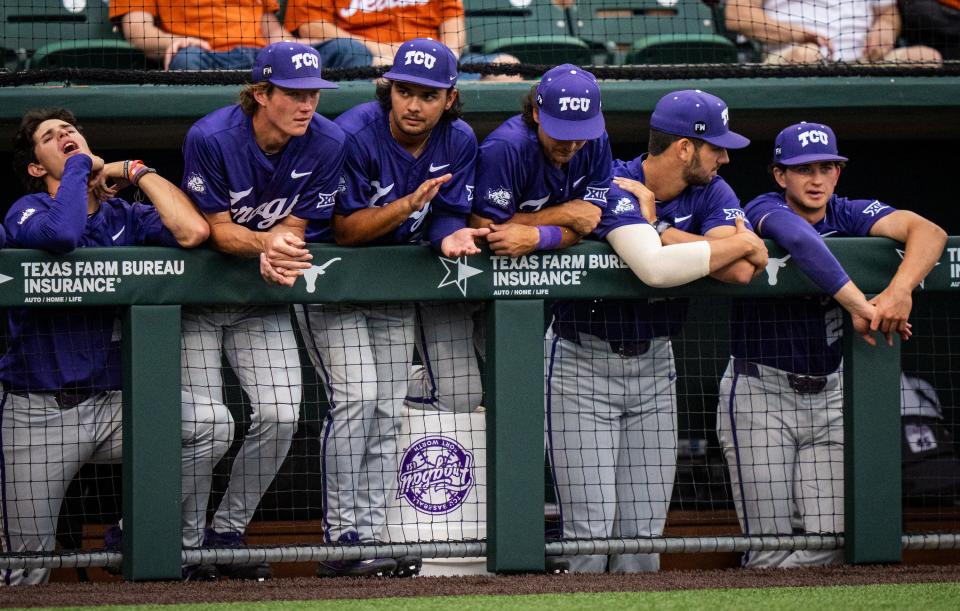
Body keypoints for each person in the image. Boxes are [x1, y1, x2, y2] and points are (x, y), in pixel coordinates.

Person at [0, 108, 232, 585]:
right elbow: (61, 235)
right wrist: (83, 168)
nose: (65, 134)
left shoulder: (122, 214)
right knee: (27, 571)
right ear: (35, 167)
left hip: (112, 408)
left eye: (70, 130)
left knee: (214, 425)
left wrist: (136, 172)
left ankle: (131, 533)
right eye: (50, 137)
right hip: (39, 413)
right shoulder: (25, 211)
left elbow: (193, 232)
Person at [545, 89, 767, 573]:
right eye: (716, 147)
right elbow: (666, 268)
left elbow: (741, 271)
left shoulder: (713, 190)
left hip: (655, 365)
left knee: (644, 535)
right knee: (590, 533)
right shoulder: (612, 180)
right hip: (583, 363)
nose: (725, 157)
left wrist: (662, 230)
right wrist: (719, 244)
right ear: (685, 147)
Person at [296, 38, 487, 578]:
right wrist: (409, 205)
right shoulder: (352, 133)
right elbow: (345, 230)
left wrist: (447, 237)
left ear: (450, 98)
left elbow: (450, 211)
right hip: (335, 286)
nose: (414, 105)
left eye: (428, 95)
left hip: (393, 290)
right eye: (404, 91)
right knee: (356, 398)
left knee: (386, 408)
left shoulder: (460, 138)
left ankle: (374, 534)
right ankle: (341, 540)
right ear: (389, 89)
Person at [717, 121, 946, 567]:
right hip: (761, 393)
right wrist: (862, 305)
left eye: (826, 167)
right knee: (767, 550)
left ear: (838, 173)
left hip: (830, 395)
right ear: (781, 175)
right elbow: (801, 241)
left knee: (834, 540)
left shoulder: (849, 213)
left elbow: (930, 232)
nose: (816, 179)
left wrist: (901, 291)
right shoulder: (762, 207)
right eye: (803, 169)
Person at [179, 41, 347, 580]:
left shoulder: (328, 141)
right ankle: (181, 543)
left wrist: (283, 248)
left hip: (261, 301)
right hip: (203, 301)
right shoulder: (212, 136)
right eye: (294, 94)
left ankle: (227, 529)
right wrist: (268, 247)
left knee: (281, 415)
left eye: (314, 94)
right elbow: (217, 230)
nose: (307, 105)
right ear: (260, 94)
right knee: (207, 426)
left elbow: (297, 227)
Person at [109, 0, 370, 71]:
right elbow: (137, 29)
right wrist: (174, 42)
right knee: (185, 59)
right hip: (207, 56)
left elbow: (271, 31)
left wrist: (302, 47)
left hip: (266, 58)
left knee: (348, 50)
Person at [283, 0, 519, 77]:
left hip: (433, 61)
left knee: (509, 68)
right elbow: (310, 27)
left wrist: (446, 57)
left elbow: (452, 22)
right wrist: (387, 50)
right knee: (383, 70)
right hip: (367, 60)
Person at [725, 0, 942, 64]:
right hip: (791, 56)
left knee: (927, 58)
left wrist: (884, 29)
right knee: (808, 55)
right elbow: (737, 15)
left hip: (866, 60)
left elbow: (888, 12)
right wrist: (798, 34)